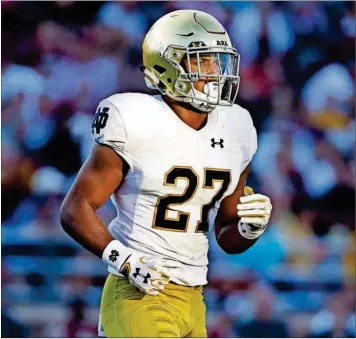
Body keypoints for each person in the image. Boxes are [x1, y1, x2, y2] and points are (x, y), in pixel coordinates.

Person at [60, 9, 273, 338]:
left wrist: (248, 227)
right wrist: (124, 259)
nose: (216, 72)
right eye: (203, 61)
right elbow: (75, 209)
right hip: (140, 292)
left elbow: (227, 236)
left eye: (219, 61)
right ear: (167, 65)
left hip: (193, 296)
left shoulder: (237, 126)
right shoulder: (134, 118)